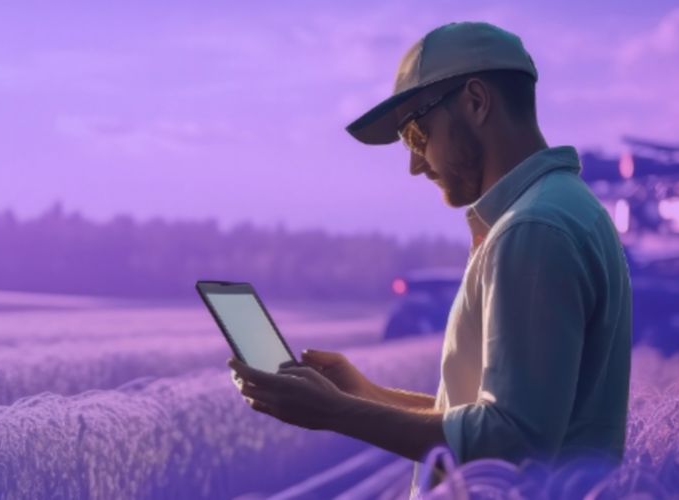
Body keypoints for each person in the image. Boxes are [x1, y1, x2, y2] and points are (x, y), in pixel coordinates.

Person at [226, 21, 633, 494]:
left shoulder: (533, 228)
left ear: (476, 102)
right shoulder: (555, 210)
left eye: (417, 135)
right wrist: (362, 394)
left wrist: (333, 412)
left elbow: (515, 439)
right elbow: (492, 415)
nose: (415, 164)